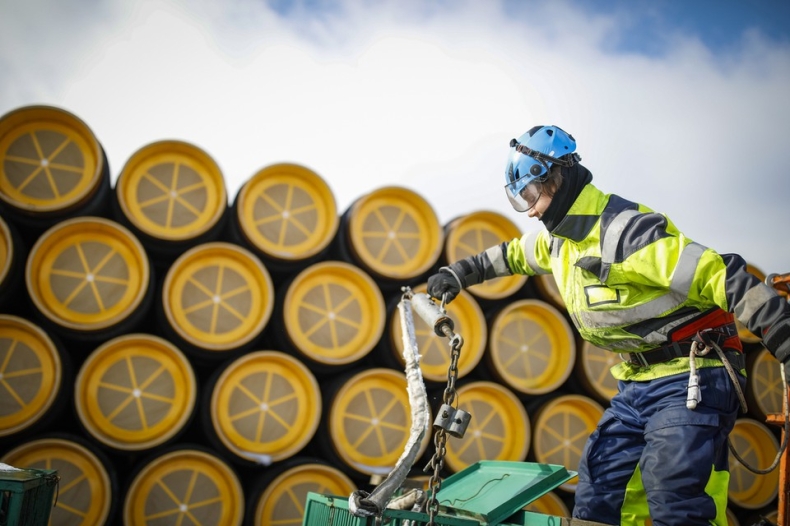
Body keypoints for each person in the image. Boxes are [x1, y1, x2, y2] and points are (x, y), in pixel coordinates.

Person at [426, 125, 790, 526]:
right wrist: (462, 272)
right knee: (600, 487)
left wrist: (782, 335)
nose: (529, 209)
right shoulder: (560, 239)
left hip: (693, 374)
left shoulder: (626, 233)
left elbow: (721, 274)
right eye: (519, 200)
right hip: (639, 382)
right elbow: (513, 254)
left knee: (674, 493)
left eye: (531, 195)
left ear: (557, 177)